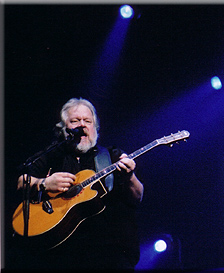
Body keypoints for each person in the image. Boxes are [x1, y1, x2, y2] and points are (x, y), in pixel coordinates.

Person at [11, 98, 144, 270]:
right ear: (63, 129)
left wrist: (130, 176)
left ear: (95, 128)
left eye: (87, 121)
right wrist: (43, 183)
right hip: (60, 252)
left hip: (109, 251)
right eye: (75, 121)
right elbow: (21, 181)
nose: (82, 126)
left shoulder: (112, 156)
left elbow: (137, 197)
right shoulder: (53, 155)